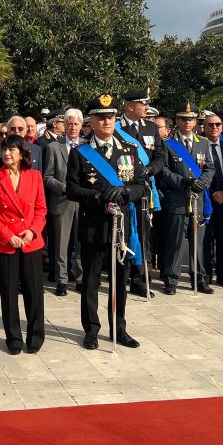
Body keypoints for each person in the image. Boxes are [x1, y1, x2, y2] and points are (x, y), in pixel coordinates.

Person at [66, 93, 147, 349]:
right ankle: (91, 329)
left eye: (111, 117)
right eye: (101, 118)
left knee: (119, 281)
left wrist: (125, 192)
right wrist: (97, 196)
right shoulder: (81, 153)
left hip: (121, 228)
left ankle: (118, 328)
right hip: (93, 225)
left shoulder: (130, 150)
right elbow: (70, 188)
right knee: (91, 281)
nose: (107, 122)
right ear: (91, 120)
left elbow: (142, 185)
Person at [0, 135, 48, 354]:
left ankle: (36, 334)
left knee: (34, 291)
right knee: (9, 293)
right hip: (6, 242)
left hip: (30, 241)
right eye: (4, 149)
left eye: (12, 149)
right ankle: (13, 337)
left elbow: (41, 209)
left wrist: (32, 230)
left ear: (22, 153)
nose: (7, 154)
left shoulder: (35, 176)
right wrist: (9, 236)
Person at [157, 102, 215, 294]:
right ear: (177, 121)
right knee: (174, 242)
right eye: (183, 119)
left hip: (197, 200)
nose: (187, 122)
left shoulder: (203, 143)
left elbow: (209, 168)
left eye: (190, 119)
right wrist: (183, 182)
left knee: (198, 243)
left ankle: (199, 279)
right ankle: (171, 280)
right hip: (177, 200)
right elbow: (163, 171)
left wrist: (203, 182)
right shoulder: (168, 144)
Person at [115, 90, 163, 298]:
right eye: (142, 104)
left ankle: (139, 279)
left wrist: (151, 169)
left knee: (143, 235)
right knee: (122, 233)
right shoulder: (116, 128)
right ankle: (120, 275)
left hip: (143, 189)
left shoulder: (151, 128)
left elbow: (160, 156)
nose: (146, 107)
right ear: (130, 106)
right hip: (122, 190)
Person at [42, 108, 84, 297]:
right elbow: (47, 176)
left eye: (76, 124)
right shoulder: (54, 147)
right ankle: (62, 280)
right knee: (61, 244)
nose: (73, 127)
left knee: (82, 242)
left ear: (81, 125)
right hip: (62, 200)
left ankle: (82, 279)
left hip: (84, 201)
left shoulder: (87, 146)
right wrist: (62, 187)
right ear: (63, 125)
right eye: (69, 123)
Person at [201, 112, 223, 288]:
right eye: (210, 125)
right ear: (204, 127)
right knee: (205, 240)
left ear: (221, 127)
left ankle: (222, 275)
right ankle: (205, 275)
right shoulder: (198, 146)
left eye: (217, 125)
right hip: (205, 200)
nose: (214, 127)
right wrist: (213, 192)